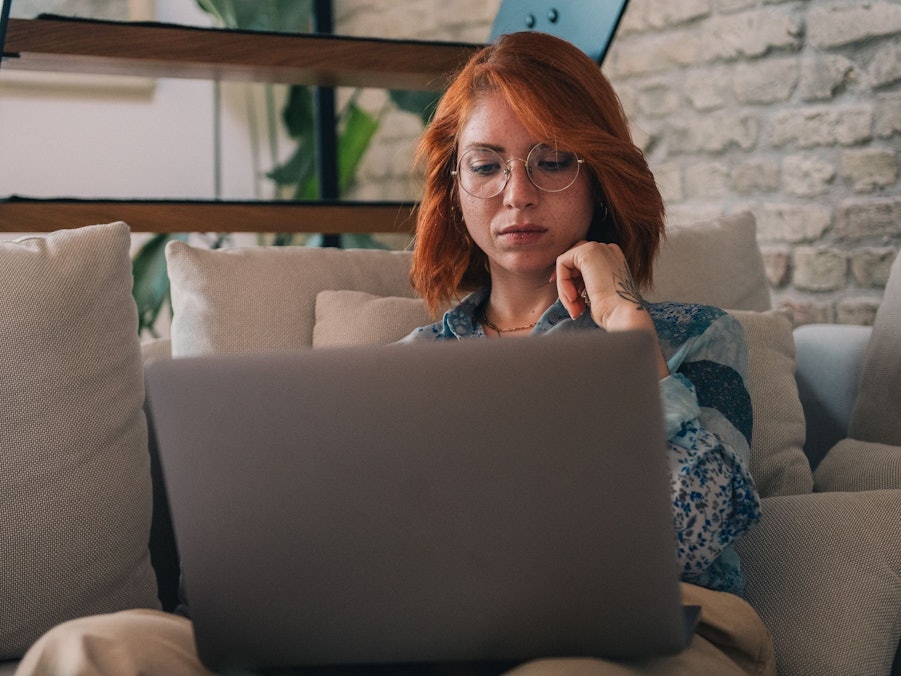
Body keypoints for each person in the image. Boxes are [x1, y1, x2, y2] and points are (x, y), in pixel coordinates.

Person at [14, 31, 775, 676]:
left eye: (552, 160)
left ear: (599, 174)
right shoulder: (411, 365)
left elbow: (692, 532)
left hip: (643, 640)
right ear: (456, 184)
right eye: (487, 164)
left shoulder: (692, 337)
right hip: (426, 640)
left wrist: (623, 322)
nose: (516, 194)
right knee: (94, 647)